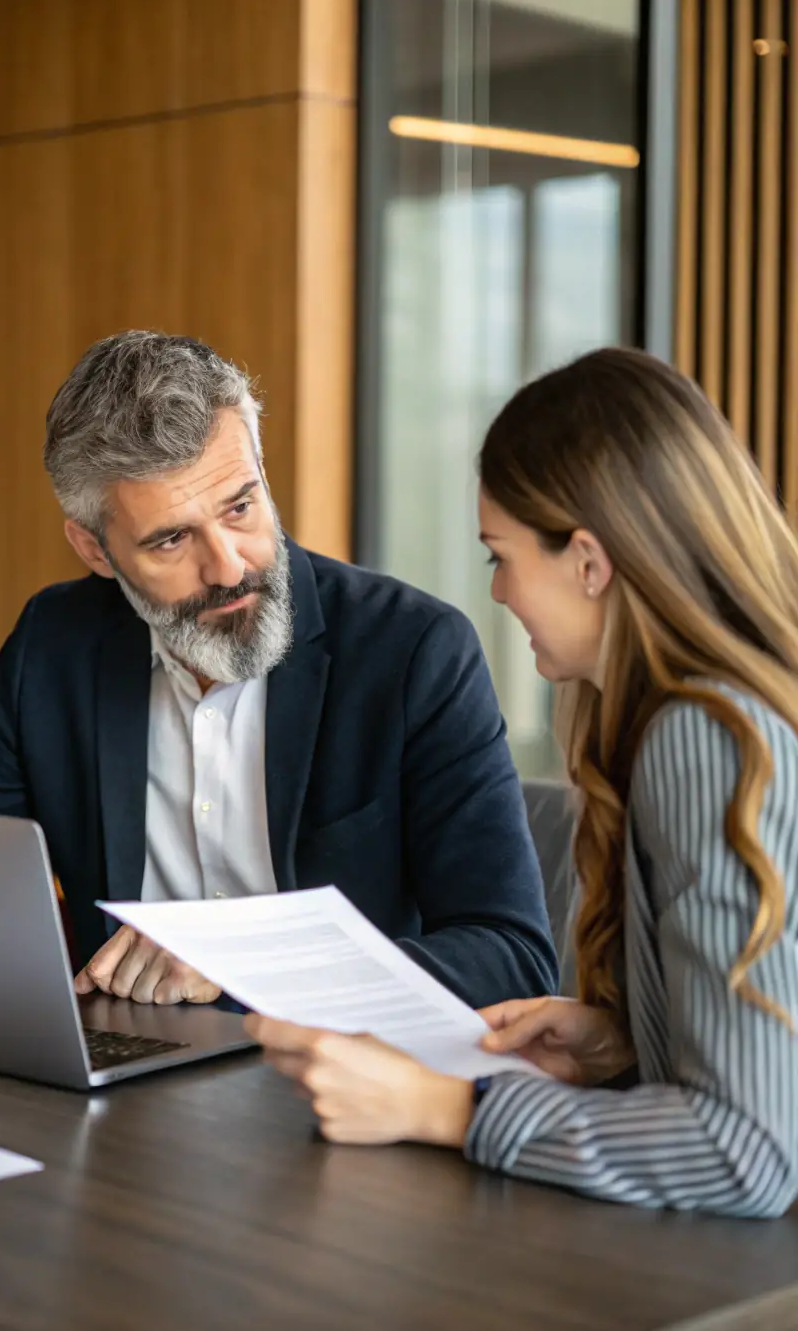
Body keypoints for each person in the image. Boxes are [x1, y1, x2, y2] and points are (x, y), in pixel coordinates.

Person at [248, 347, 798, 1218]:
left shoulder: (708, 738)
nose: (497, 593)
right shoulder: (716, 716)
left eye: (500, 555)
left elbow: (748, 1150)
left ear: (588, 560)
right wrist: (624, 1044)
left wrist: (446, 1108)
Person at [0, 330, 557, 1010]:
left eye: (240, 508)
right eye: (171, 538)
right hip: (126, 1071)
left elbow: (511, 957)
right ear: (95, 549)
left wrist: (246, 965)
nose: (228, 566)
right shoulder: (53, 647)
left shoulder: (415, 652)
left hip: (343, 1078)